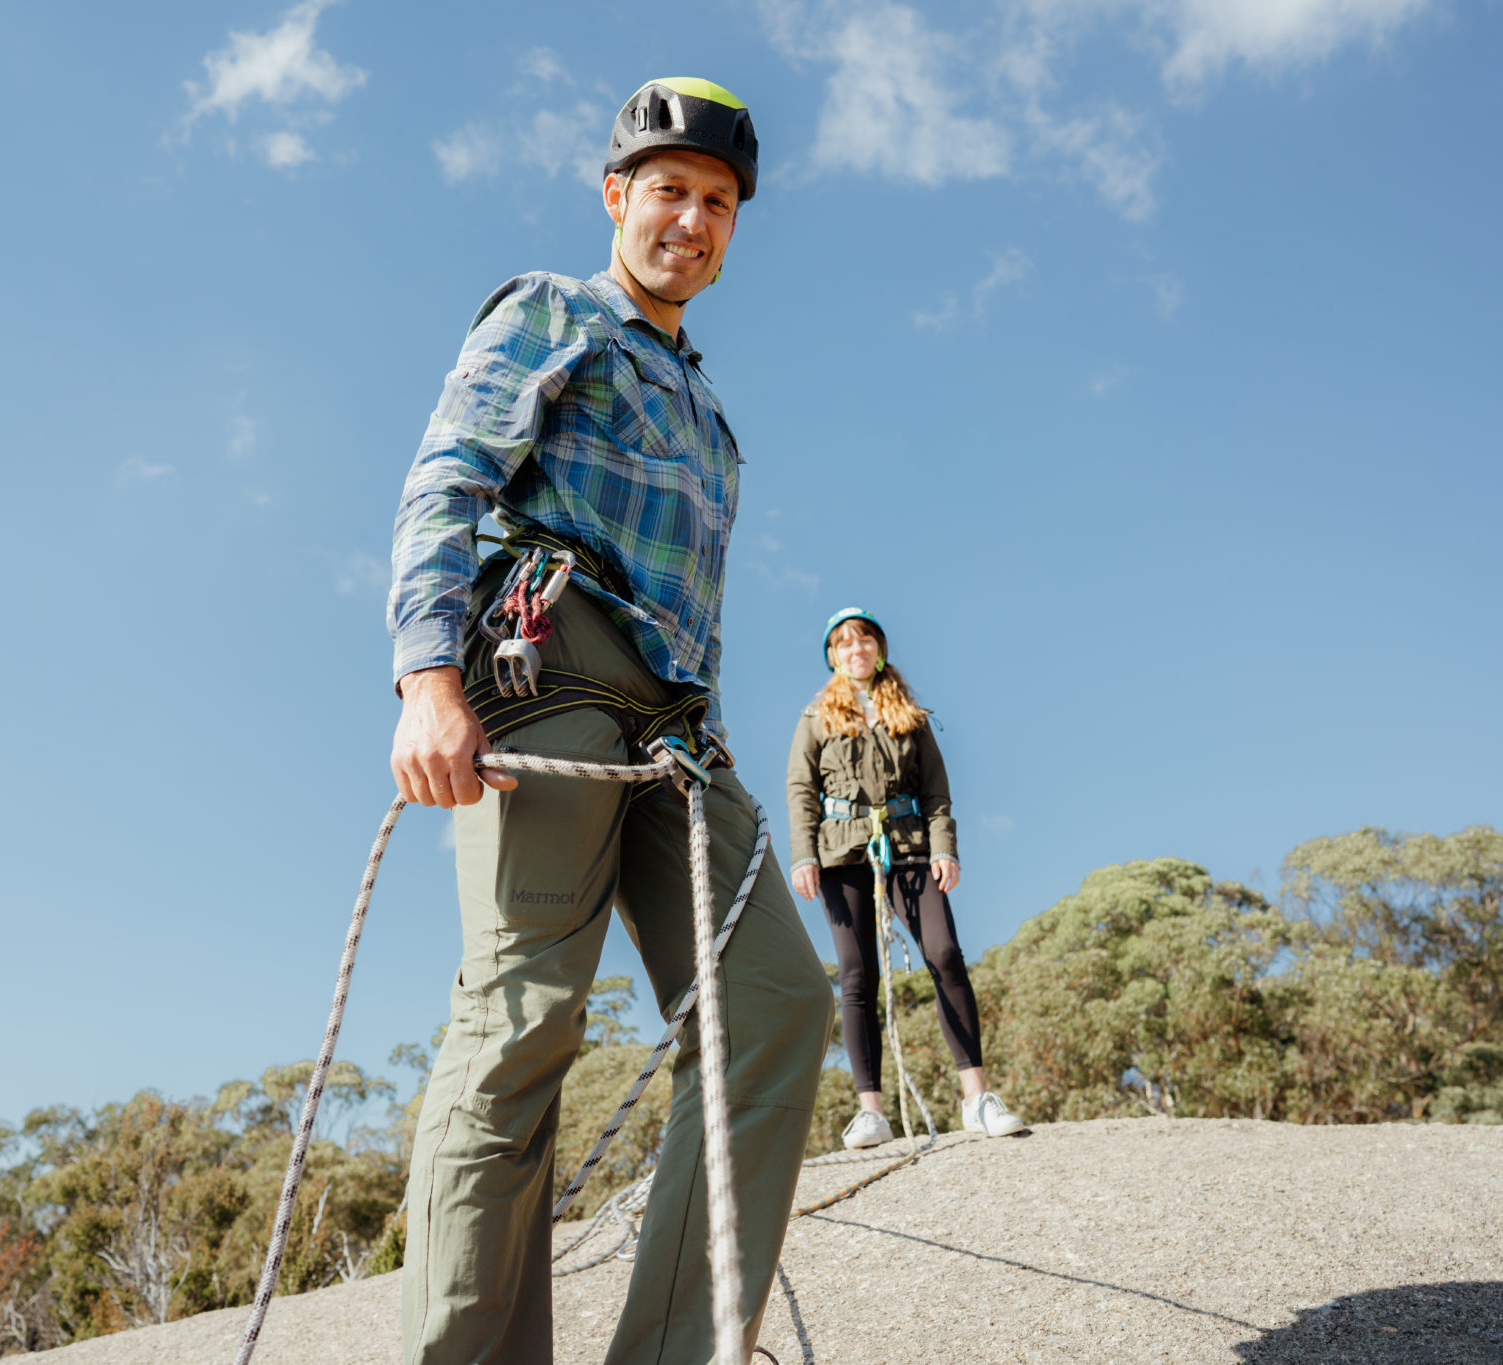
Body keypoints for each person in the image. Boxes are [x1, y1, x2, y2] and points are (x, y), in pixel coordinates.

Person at [386, 77, 834, 1365]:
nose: (689, 220)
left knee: (773, 1004)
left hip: (679, 734)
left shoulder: (712, 418)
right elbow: (449, 477)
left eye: (716, 203)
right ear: (615, 197)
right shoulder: (553, 311)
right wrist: (427, 678)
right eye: (667, 192)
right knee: (525, 1021)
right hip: (550, 679)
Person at [786, 608, 1027, 1148]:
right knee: (856, 975)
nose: (856, 651)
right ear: (833, 656)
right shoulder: (815, 717)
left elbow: (937, 790)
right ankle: (870, 1110)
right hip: (842, 853)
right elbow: (801, 791)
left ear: (880, 650)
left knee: (944, 954)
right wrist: (804, 856)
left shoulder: (910, 716)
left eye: (865, 641)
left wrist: (946, 849)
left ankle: (976, 1098)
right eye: (845, 644)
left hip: (911, 846)